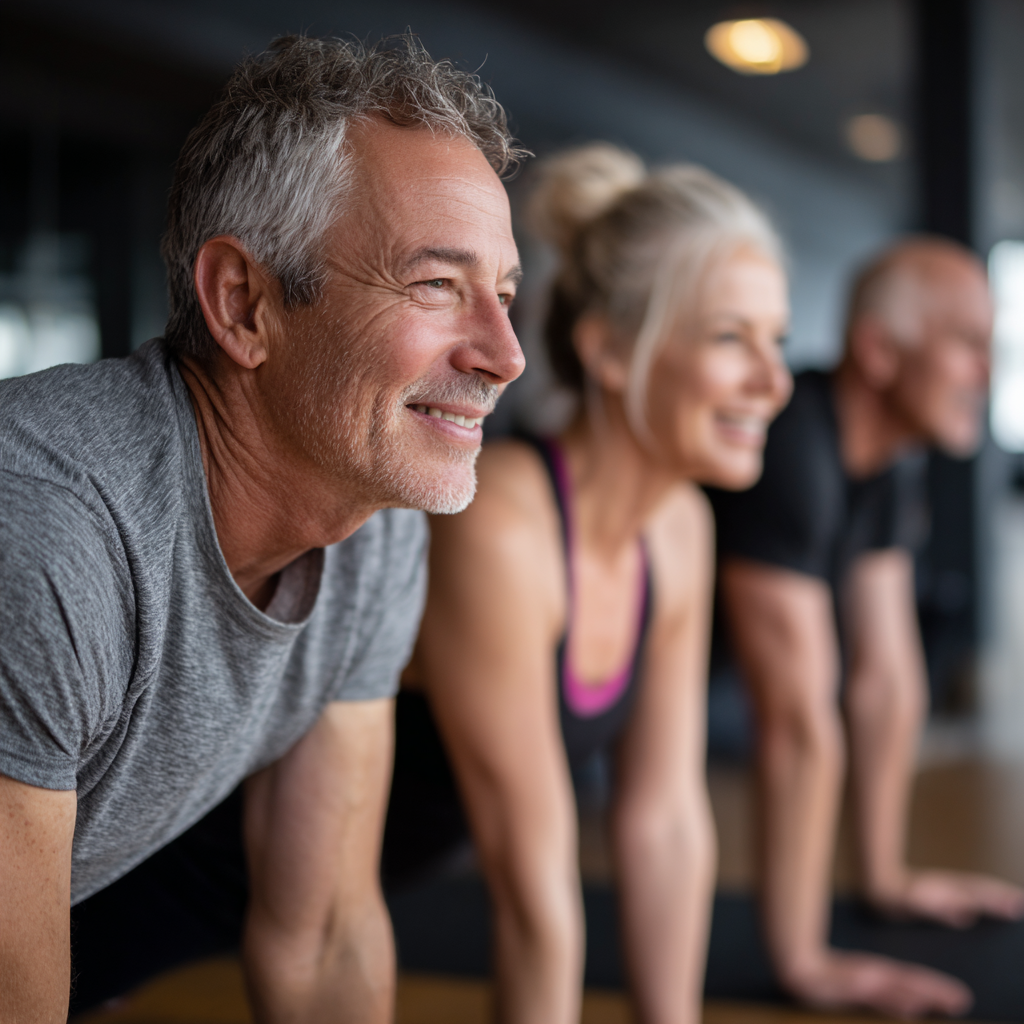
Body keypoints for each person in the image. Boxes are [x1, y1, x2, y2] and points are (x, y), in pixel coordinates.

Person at [0, 35, 527, 1021]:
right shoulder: (44, 529)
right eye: (435, 285)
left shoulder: (372, 520)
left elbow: (323, 930)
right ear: (244, 303)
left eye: (501, 295)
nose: (506, 355)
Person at [386, 143, 793, 1023]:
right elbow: (535, 895)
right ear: (608, 350)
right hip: (200, 882)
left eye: (777, 341)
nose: (775, 381)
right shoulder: (504, 521)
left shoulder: (679, 525)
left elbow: (665, 821)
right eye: (731, 337)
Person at [707, 237, 1024, 1017]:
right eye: (966, 346)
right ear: (879, 351)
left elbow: (886, 678)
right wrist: (804, 962)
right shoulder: (792, 447)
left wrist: (885, 882)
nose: (986, 375)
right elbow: (796, 724)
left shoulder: (889, 459)